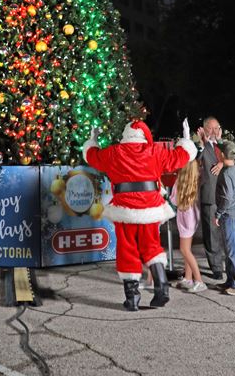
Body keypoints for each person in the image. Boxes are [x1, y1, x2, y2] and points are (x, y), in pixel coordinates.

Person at [83, 117, 197, 311]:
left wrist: (92, 140)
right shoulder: (155, 152)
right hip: (150, 209)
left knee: (127, 250)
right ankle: (162, 289)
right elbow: (179, 158)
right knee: (151, 246)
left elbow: (92, 156)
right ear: (144, 136)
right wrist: (186, 141)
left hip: (124, 209)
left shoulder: (113, 152)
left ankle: (132, 299)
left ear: (125, 136)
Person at [197, 116, 235, 279]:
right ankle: (216, 267)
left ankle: (231, 268)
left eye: (217, 128)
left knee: (228, 236)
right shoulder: (201, 148)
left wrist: (223, 163)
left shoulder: (226, 147)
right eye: (211, 129)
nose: (214, 132)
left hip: (227, 199)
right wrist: (201, 146)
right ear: (204, 130)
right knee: (211, 234)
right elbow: (194, 162)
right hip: (209, 197)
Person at [214, 140, 235, 295]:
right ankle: (231, 281)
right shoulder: (234, 165)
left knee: (233, 249)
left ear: (222, 155)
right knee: (230, 249)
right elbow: (231, 152)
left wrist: (218, 213)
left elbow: (227, 198)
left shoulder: (228, 173)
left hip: (229, 214)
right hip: (234, 211)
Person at [171, 159, 206, 292]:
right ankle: (188, 278)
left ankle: (199, 280)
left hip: (185, 220)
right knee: (188, 249)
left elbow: (174, 200)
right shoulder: (196, 179)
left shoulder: (179, 182)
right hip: (193, 219)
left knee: (184, 250)